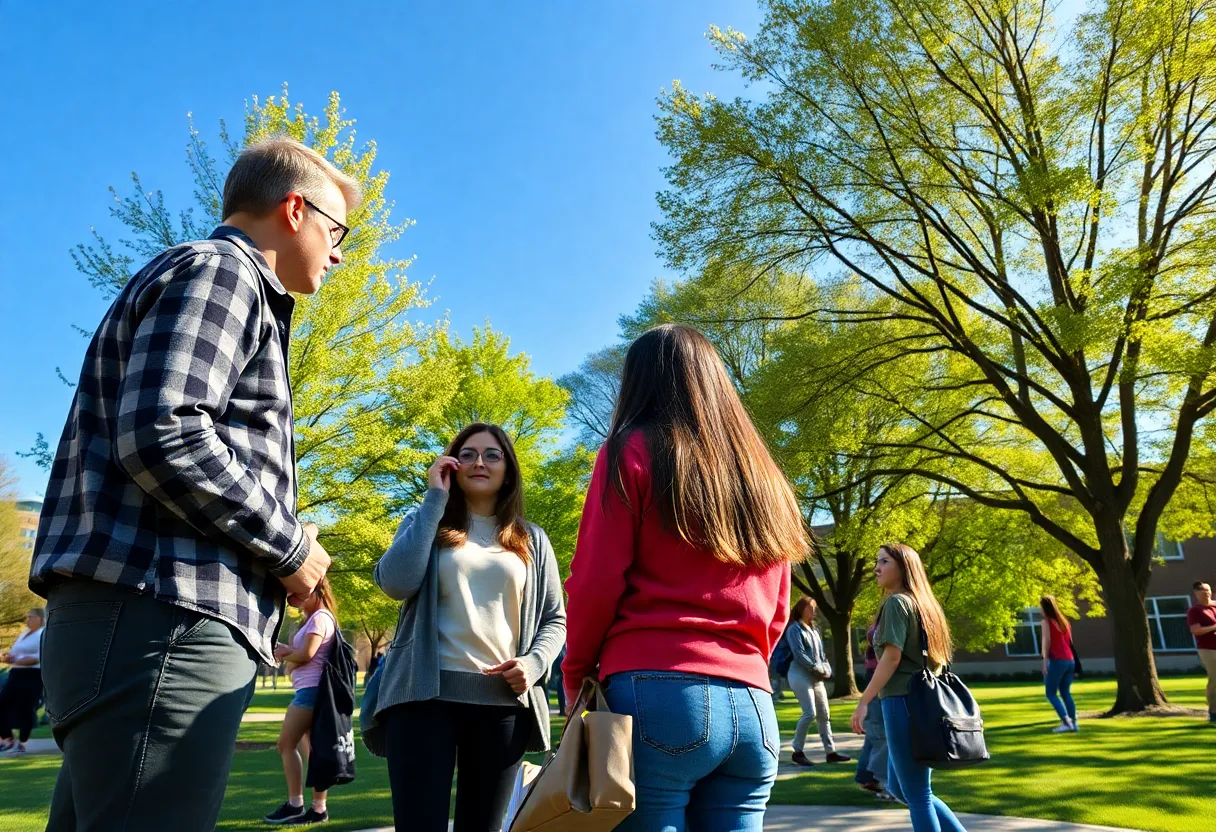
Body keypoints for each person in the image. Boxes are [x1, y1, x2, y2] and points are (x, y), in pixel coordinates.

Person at [28, 136, 353, 831]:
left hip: (141, 622)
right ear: (294, 209)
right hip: (163, 622)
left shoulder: (210, 280)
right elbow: (165, 430)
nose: (339, 252)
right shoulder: (224, 274)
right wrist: (291, 548)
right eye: (337, 229)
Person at [563, 324, 808, 831]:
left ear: (639, 381)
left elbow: (594, 582)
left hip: (656, 691)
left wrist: (575, 672)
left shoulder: (628, 450)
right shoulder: (766, 479)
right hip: (754, 706)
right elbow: (779, 604)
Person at [373, 423, 566, 832]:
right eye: (467, 454)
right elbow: (396, 582)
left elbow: (555, 618)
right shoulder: (425, 521)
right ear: (451, 465)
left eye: (492, 454)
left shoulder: (533, 540)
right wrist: (434, 500)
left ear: (508, 468)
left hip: (502, 706)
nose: (479, 462)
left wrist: (533, 664)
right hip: (423, 699)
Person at [850, 543, 966, 832]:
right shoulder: (924, 604)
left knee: (917, 795)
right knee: (902, 789)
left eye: (884, 561)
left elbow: (891, 657)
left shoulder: (897, 603)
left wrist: (864, 701)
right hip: (918, 704)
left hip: (901, 701)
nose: (876, 568)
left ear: (903, 567)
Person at [262, 577, 340, 825]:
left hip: (311, 691)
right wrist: (289, 653)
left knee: (285, 744)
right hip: (309, 690)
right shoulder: (316, 619)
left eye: (296, 595)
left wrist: (287, 655)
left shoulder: (320, 618)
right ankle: (318, 809)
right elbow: (305, 654)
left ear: (314, 591)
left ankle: (296, 804)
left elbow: (307, 654)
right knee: (312, 751)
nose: (291, 600)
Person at [786, 597, 850, 767]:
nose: (814, 611)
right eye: (810, 608)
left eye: (814, 608)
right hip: (800, 674)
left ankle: (831, 752)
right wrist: (817, 668)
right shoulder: (794, 629)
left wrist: (826, 668)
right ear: (801, 609)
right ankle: (797, 752)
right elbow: (799, 654)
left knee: (824, 714)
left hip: (817, 676)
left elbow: (821, 655)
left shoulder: (815, 630)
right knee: (809, 713)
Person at [853, 623, 893, 800]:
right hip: (881, 677)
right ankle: (884, 782)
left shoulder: (883, 619)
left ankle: (866, 776)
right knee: (881, 732)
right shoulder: (885, 620)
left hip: (880, 677)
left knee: (875, 731)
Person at [0, 608, 45, 755]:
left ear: (40, 618)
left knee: (25, 707)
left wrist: (18, 659)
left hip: (32, 675)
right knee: (2, 703)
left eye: (31, 617)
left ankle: (22, 743)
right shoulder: (24, 634)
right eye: (27, 617)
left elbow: (38, 656)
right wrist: (8, 657)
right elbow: (15, 652)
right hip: (16, 673)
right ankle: (8, 738)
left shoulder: (42, 634)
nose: (27, 620)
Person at [1040, 595, 1079, 733]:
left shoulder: (1046, 622)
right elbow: (1070, 643)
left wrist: (1044, 663)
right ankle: (1074, 723)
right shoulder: (1065, 622)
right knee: (1065, 692)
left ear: (1044, 607)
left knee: (1050, 693)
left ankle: (1066, 722)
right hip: (1070, 660)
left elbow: (1046, 643)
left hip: (1057, 660)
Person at [1188, 581, 1216, 724]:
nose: (1208, 593)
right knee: (1215, 677)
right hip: (1208, 648)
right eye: (1204, 591)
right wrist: (1214, 627)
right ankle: (1213, 711)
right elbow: (1196, 630)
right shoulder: (1195, 611)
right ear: (1196, 593)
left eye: (1209, 590)